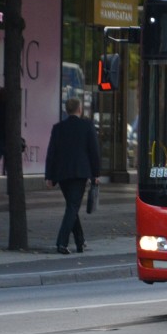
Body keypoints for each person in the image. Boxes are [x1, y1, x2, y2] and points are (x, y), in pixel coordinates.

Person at [45, 97, 101, 255]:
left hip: (62, 174)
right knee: (72, 207)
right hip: (80, 173)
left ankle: (80, 241)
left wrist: (49, 176)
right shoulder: (87, 126)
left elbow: (51, 152)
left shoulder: (58, 128)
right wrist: (96, 174)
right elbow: (94, 151)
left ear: (67, 110)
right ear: (79, 109)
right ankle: (61, 242)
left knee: (72, 206)